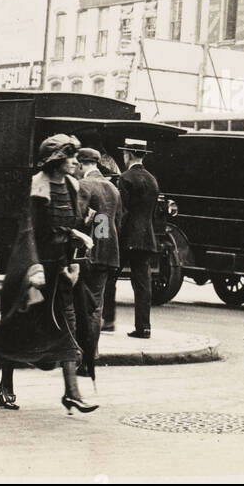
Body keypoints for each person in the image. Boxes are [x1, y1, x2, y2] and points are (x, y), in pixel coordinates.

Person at [0, 134, 96, 413]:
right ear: (57, 159)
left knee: (67, 327)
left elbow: (65, 225)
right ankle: (6, 384)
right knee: (17, 330)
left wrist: (77, 236)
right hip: (34, 273)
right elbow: (30, 229)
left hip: (59, 273)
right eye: (71, 156)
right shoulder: (38, 184)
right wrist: (34, 267)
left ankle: (72, 393)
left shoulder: (71, 185)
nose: (75, 162)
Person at [73, 147, 122, 379]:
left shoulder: (84, 186)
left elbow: (79, 219)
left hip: (88, 252)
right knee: (97, 306)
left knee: (83, 308)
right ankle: (92, 356)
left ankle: (84, 359)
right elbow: (117, 221)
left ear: (82, 165)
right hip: (109, 253)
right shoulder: (113, 187)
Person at [117, 138, 159, 339]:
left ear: (129, 155)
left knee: (108, 277)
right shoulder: (152, 179)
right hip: (146, 238)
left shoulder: (124, 178)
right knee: (143, 284)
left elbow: (122, 212)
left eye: (125, 153)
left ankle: (106, 321)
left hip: (126, 238)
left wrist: (115, 235)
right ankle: (144, 328)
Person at [97, 153, 123, 333]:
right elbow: (119, 218)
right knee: (109, 281)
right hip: (112, 241)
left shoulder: (89, 187)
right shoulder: (114, 190)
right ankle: (108, 319)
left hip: (98, 240)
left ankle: (101, 319)